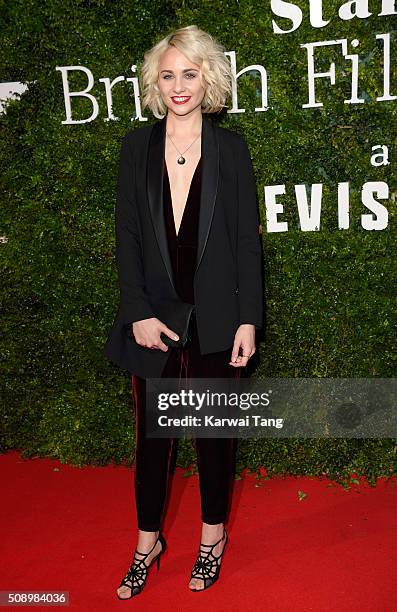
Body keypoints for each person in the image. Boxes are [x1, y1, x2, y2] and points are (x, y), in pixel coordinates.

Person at [103, 24, 263, 599]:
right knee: (153, 440)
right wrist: (136, 311)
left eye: (189, 74)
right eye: (167, 75)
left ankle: (211, 538)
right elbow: (126, 238)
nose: (178, 86)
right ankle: (148, 543)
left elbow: (247, 240)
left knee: (214, 438)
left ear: (208, 78)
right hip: (156, 319)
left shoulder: (232, 149)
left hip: (220, 318)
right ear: (154, 81)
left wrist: (249, 318)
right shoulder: (134, 147)